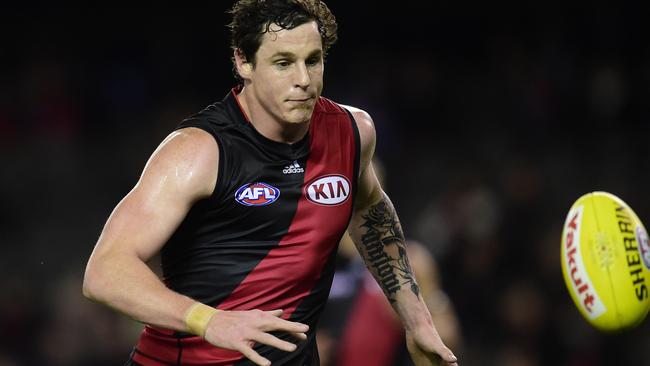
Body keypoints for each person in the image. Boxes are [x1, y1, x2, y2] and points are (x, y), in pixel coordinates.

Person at [82, 1, 458, 365]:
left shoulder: (352, 132)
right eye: (283, 63)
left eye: (313, 61)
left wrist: (417, 321)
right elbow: (105, 271)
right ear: (243, 62)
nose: (303, 80)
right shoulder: (199, 151)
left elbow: (370, 213)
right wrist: (209, 320)